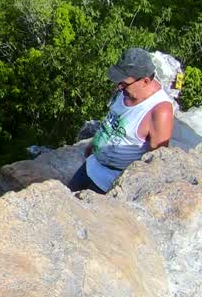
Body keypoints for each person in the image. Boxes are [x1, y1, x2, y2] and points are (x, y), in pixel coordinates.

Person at [68, 47, 175, 194]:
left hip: (110, 183)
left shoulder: (160, 110)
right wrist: (94, 145)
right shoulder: (126, 91)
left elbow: (156, 160)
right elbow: (111, 121)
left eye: (124, 83)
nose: (119, 86)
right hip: (90, 166)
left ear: (145, 81)